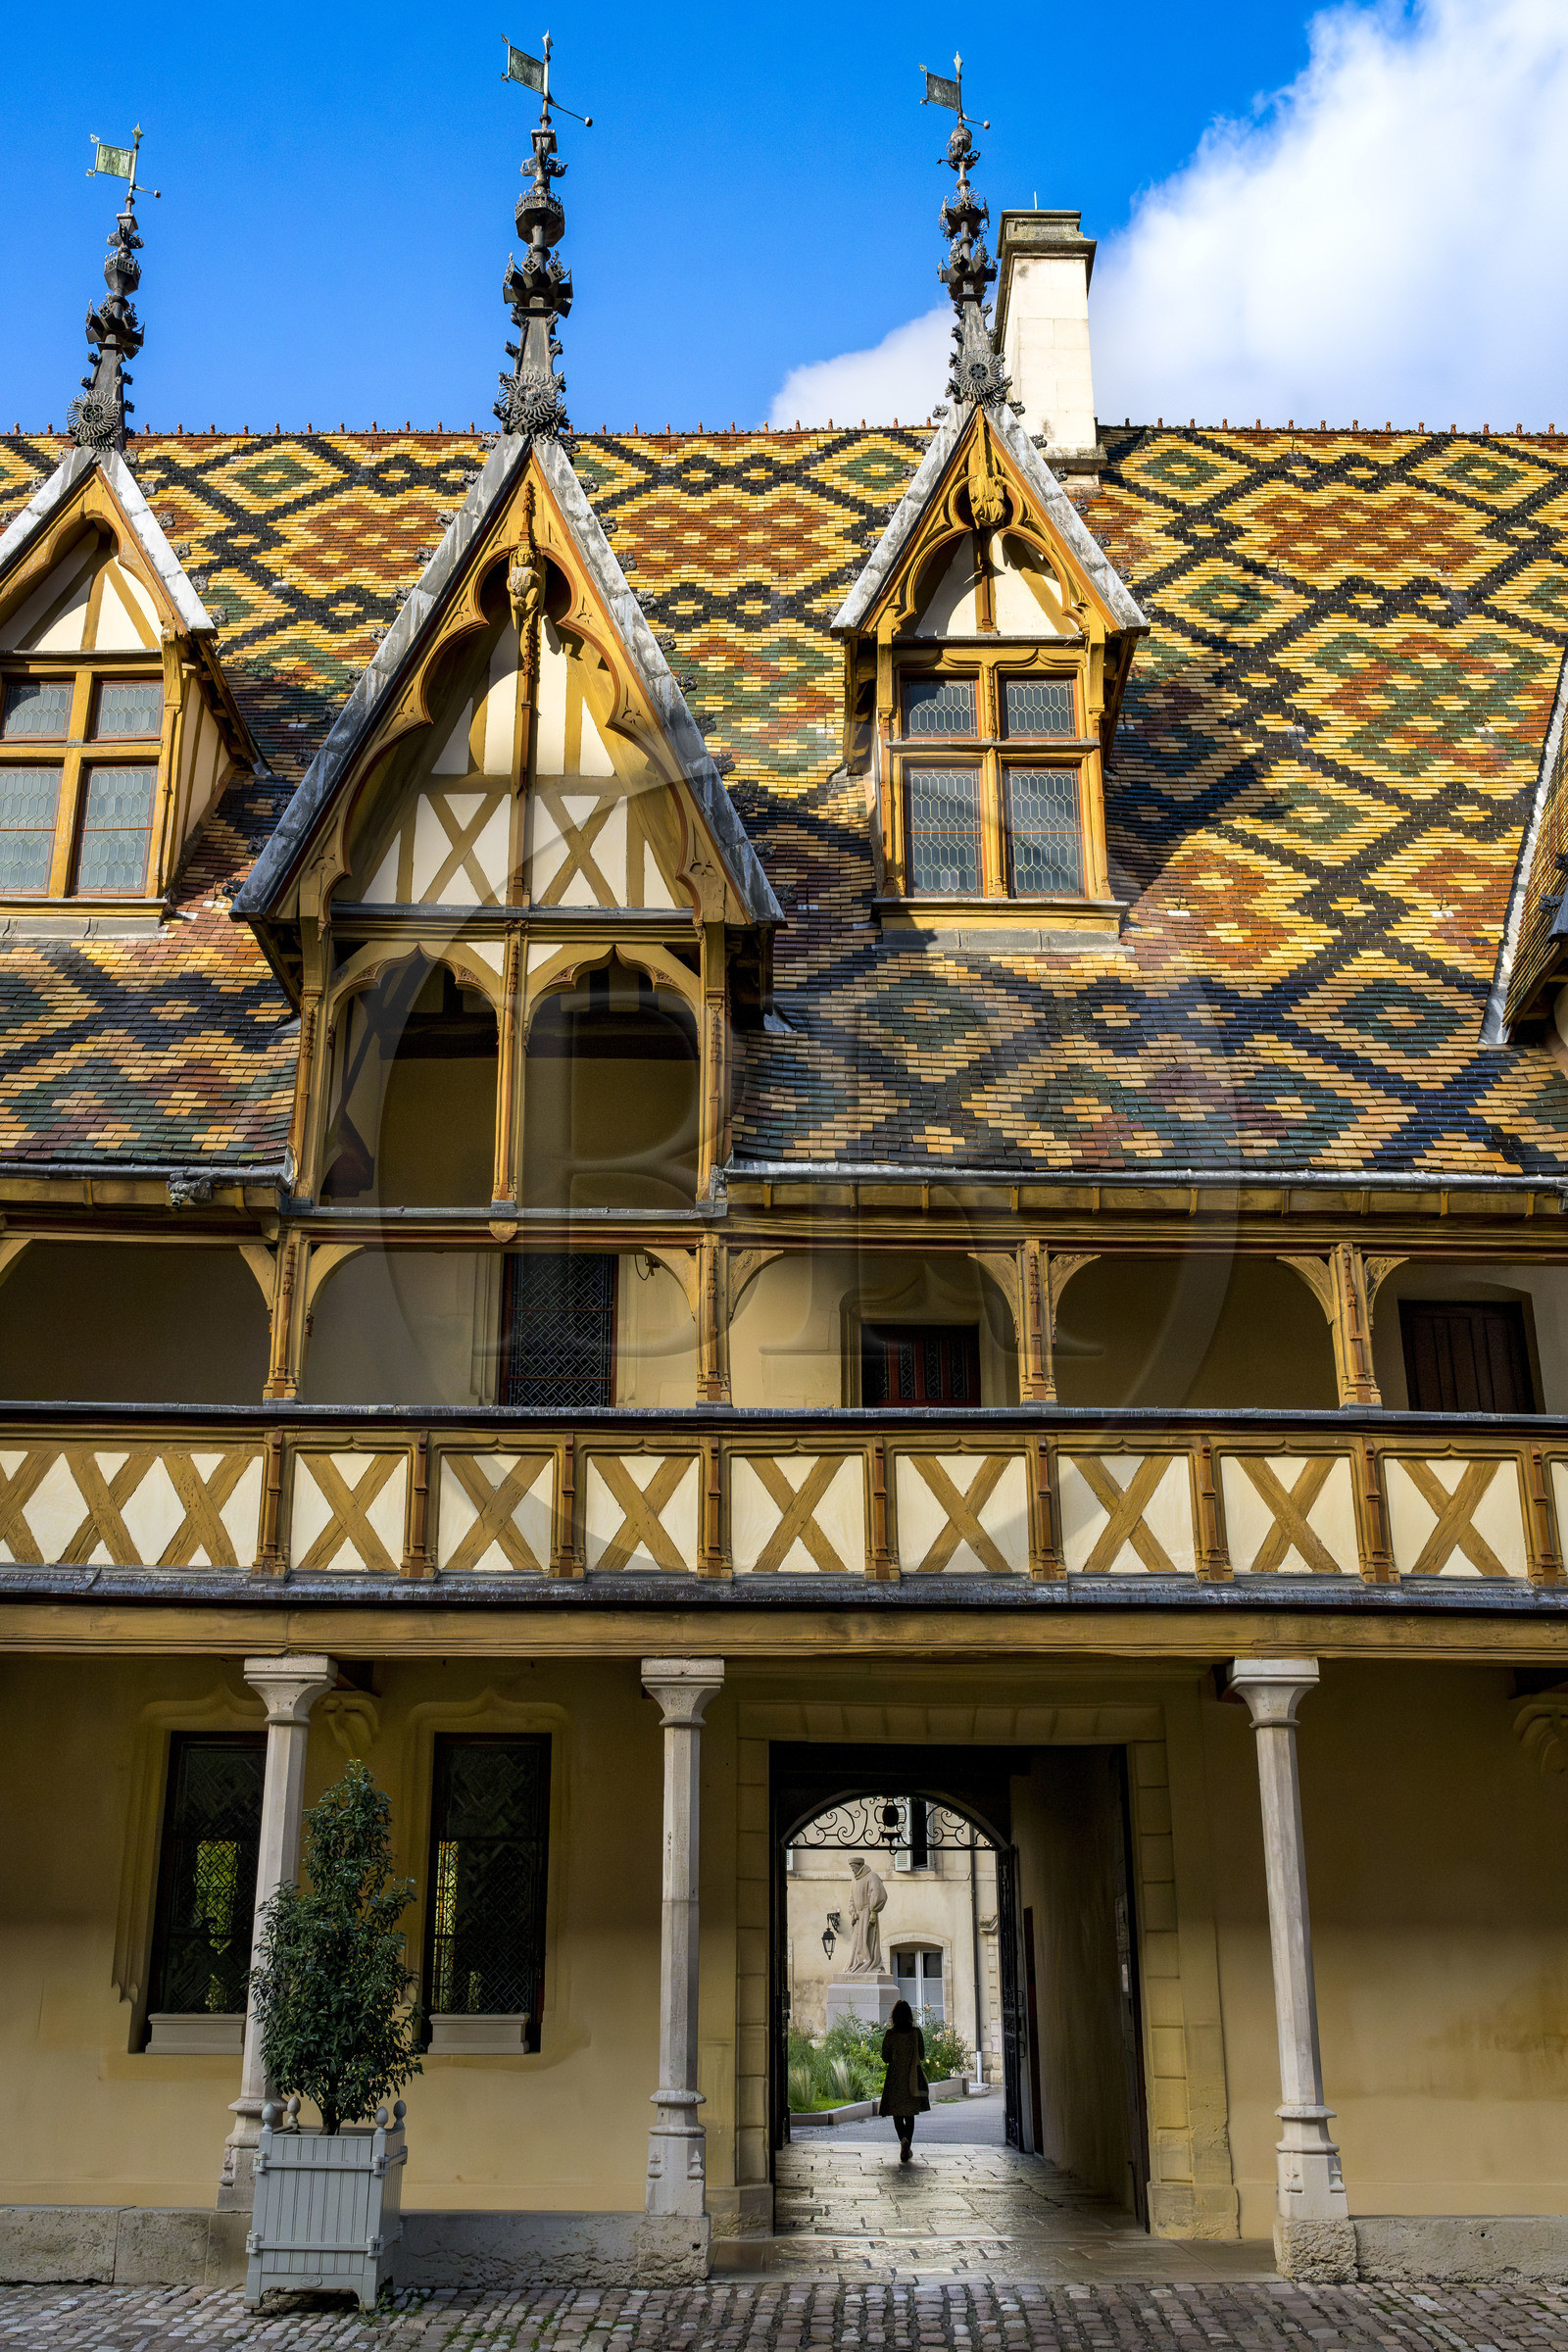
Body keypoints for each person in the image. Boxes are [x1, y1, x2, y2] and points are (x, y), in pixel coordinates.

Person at [878, 1997, 929, 2163]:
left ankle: (903, 2141)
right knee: (910, 2114)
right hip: (912, 2077)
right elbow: (921, 2054)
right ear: (909, 2015)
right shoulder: (916, 2033)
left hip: (895, 2078)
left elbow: (885, 2057)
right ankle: (907, 2143)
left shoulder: (890, 2034)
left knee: (897, 2114)